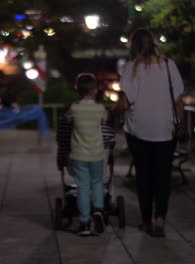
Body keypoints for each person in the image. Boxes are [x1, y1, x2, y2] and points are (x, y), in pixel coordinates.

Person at [116, 28, 185, 237]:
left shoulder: (131, 68)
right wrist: (178, 123)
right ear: (154, 44)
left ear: (136, 46)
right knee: (163, 175)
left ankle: (146, 220)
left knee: (143, 175)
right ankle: (159, 218)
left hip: (138, 129)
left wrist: (113, 111)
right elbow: (179, 100)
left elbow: (125, 103)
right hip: (166, 128)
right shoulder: (168, 65)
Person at [65, 73, 108, 236]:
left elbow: (67, 119)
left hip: (79, 156)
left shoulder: (74, 108)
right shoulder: (100, 109)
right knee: (97, 182)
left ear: (78, 90)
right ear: (95, 90)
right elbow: (105, 120)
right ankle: (98, 209)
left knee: (83, 187)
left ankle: (84, 223)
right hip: (97, 154)